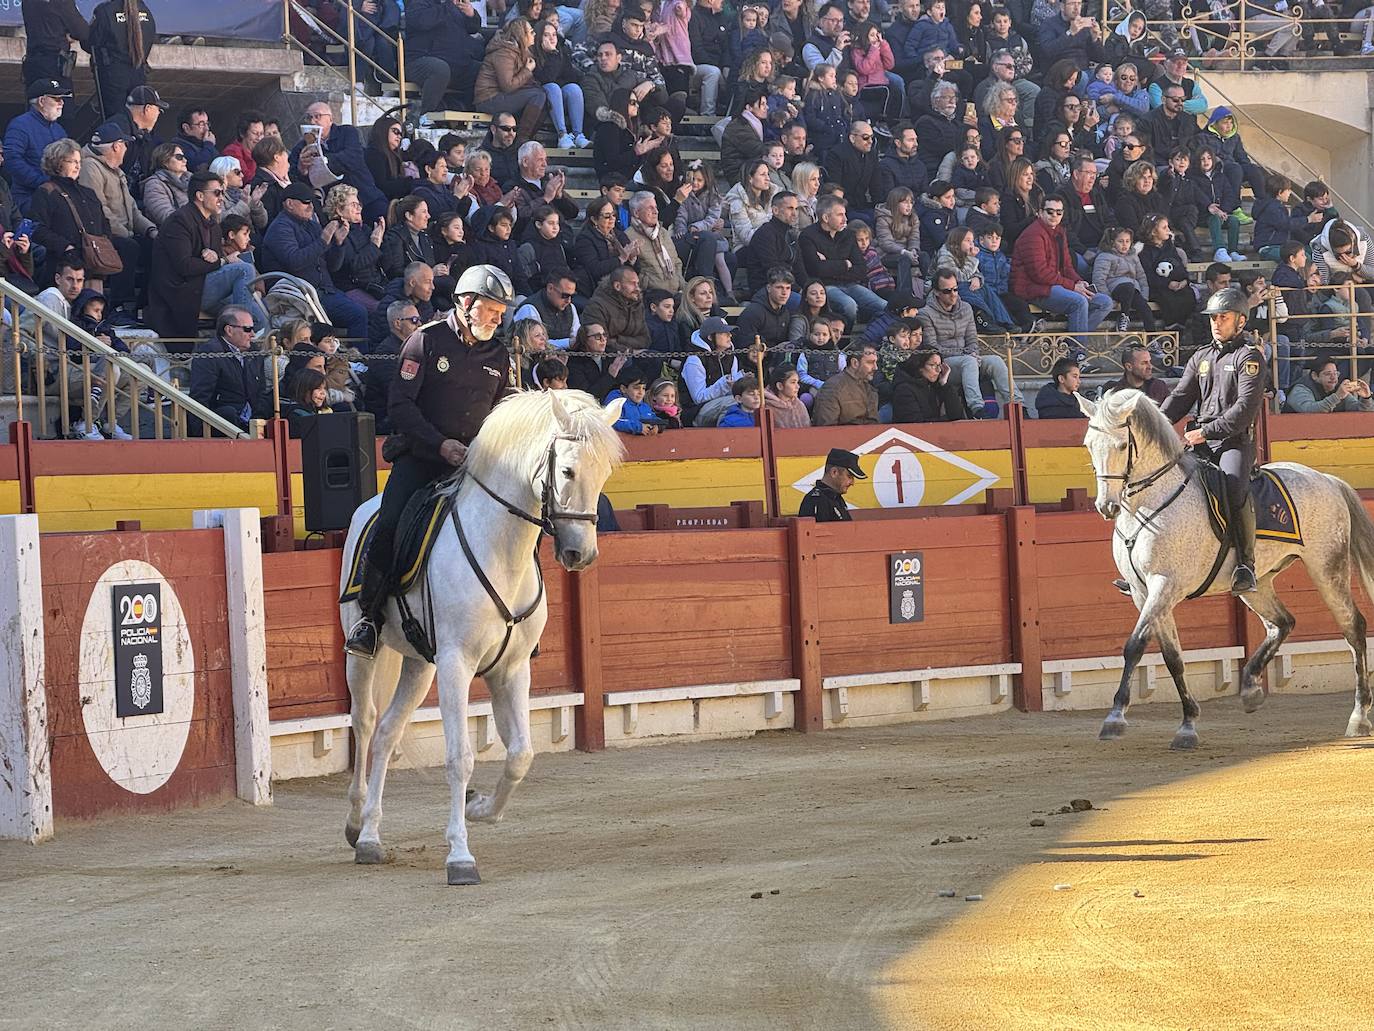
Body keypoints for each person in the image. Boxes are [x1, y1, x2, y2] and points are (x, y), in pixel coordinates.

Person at [344, 265, 516, 658]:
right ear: (467, 302)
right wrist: (441, 446)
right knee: (388, 523)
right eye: (492, 309)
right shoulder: (425, 341)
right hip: (422, 458)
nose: (497, 317)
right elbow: (400, 406)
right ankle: (369, 618)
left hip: (474, 464)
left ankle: (518, 620)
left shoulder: (500, 353)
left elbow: (502, 408)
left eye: (502, 312)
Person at [1158, 286, 1265, 595]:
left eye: (1223, 317)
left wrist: (1204, 432)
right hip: (1199, 442)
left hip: (1232, 442)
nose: (1216, 323)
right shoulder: (1201, 356)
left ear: (1241, 322)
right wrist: (1157, 427)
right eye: (1213, 318)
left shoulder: (1250, 357)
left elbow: (1244, 410)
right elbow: (1180, 397)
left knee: (1233, 486)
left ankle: (1246, 564)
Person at [261, 181, 370, 344]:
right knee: (358, 314)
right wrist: (323, 241)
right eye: (305, 202)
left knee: (364, 312)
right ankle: (357, 361)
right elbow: (295, 261)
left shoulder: (312, 226)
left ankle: (355, 359)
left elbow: (333, 266)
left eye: (311, 202)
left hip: (323, 292)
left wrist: (339, 244)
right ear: (289, 204)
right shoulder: (280, 228)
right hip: (299, 295)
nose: (310, 206)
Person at [919, 268, 1021, 417]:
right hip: (943, 364)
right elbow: (933, 348)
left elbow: (972, 339)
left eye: (955, 289)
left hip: (968, 359)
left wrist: (972, 352)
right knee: (969, 361)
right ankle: (977, 408)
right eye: (947, 291)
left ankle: (1019, 406)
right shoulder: (925, 314)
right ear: (936, 292)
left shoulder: (966, 308)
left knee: (995, 361)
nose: (953, 294)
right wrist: (967, 354)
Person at [1010, 197, 1114, 341]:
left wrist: (1078, 281)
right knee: (1078, 302)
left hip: (1054, 284)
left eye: (1059, 212)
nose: (1054, 216)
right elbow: (1040, 274)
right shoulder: (1032, 234)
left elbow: (1066, 266)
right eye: (1050, 211)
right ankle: (1077, 354)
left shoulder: (1059, 232)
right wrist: (1072, 286)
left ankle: (1069, 342)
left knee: (1105, 303)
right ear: (1040, 213)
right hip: (1034, 289)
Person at [145, 171, 225, 341]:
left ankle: (243, 330)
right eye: (217, 193)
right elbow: (184, 265)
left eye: (223, 193)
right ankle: (249, 335)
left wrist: (217, 260)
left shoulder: (214, 226)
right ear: (200, 196)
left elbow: (215, 258)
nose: (222, 198)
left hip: (203, 285)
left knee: (241, 293)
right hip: (180, 291)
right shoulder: (179, 221)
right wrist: (220, 262)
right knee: (242, 270)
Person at [799, 195, 886, 325]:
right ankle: (844, 343)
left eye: (844, 214)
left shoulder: (849, 235)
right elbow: (816, 269)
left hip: (851, 285)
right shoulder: (808, 236)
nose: (845, 219)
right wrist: (845, 263)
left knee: (884, 306)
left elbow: (861, 269)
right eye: (840, 215)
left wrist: (829, 264)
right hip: (825, 286)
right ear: (826, 218)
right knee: (849, 306)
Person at [188, 306, 274, 435]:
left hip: (252, 423)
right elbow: (200, 397)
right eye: (247, 329)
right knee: (228, 412)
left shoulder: (254, 352)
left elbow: (260, 392)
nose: (253, 334)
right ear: (229, 330)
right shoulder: (210, 352)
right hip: (225, 426)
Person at [5, 78, 71, 213]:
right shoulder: (20, 125)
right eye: (56, 99)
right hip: (29, 198)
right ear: (41, 101)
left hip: (57, 196)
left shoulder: (59, 129)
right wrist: (42, 182)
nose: (62, 103)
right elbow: (12, 160)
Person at [87, 0, 155, 123]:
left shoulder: (105, 10)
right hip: (139, 74)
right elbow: (149, 40)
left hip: (113, 78)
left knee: (116, 124)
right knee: (138, 123)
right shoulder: (145, 10)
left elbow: (90, 42)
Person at [21, 0, 89, 87]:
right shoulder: (62, 2)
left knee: (35, 97)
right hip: (54, 62)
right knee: (60, 98)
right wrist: (71, 36)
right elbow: (82, 32)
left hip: (32, 61)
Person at [811, 341, 879, 425]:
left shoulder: (869, 387)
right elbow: (827, 429)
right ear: (855, 363)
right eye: (870, 362)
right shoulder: (832, 388)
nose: (875, 367)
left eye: (875, 362)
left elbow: (873, 424)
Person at [1283, 357, 1374, 414]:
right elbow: (1310, 411)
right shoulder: (1300, 389)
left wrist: (1366, 398)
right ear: (1315, 376)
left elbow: (1359, 411)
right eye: (1328, 374)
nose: (1333, 378)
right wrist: (1337, 396)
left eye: (1335, 374)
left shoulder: (1338, 388)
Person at [799, 446, 866, 521]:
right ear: (834, 472)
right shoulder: (817, 500)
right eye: (849, 476)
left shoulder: (835, 497)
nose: (852, 483)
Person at [1100, 343, 1170, 404]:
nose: (1150, 366)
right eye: (1143, 363)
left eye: (1149, 361)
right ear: (1129, 367)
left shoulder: (1159, 387)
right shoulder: (1114, 391)